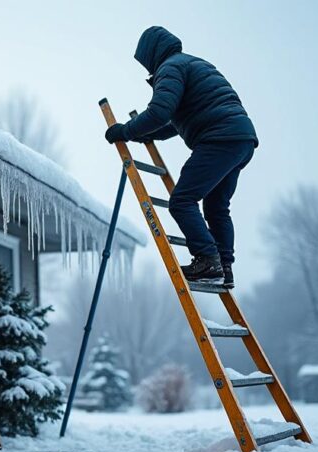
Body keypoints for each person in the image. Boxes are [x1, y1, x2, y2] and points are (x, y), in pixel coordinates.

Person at [105, 26, 257, 288]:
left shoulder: (170, 68)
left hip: (218, 138)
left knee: (182, 201)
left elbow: (160, 111)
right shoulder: (193, 63)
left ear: (152, 53)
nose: (147, 69)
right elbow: (176, 121)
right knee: (217, 207)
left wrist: (125, 131)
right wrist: (147, 135)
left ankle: (208, 260)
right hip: (240, 139)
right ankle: (224, 267)